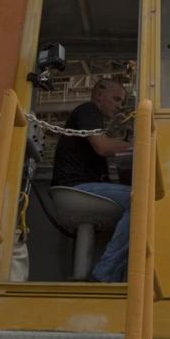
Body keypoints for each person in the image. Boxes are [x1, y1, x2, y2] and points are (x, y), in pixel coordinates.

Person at [51, 78, 132, 282]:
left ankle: (115, 274)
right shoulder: (88, 110)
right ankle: (105, 274)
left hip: (72, 188)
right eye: (116, 99)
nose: (119, 105)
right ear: (99, 95)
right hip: (75, 187)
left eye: (121, 102)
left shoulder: (93, 122)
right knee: (139, 199)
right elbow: (103, 147)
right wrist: (140, 145)